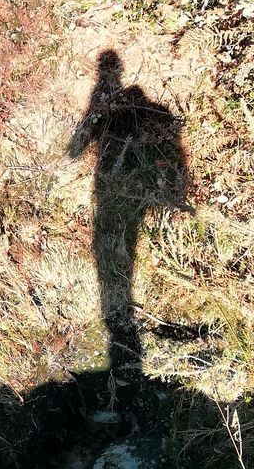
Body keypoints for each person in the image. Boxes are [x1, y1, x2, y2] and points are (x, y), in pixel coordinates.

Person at [68, 50, 188, 424]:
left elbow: (75, 150)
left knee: (113, 253)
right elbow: (171, 156)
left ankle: (123, 325)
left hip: (113, 194)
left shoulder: (110, 114)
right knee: (120, 251)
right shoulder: (159, 119)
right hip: (130, 195)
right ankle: (126, 327)